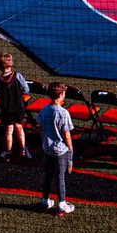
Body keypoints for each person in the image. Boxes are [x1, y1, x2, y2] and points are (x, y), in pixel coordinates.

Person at [38, 82, 75, 214]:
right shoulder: (63, 112)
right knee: (60, 177)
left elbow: (41, 129)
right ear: (61, 95)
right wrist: (70, 149)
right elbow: (66, 134)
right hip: (60, 151)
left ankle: (45, 201)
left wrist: (44, 144)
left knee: (47, 176)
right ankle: (62, 204)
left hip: (47, 149)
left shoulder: (44, 109)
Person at [0, 52, 31, 161]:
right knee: (19, 126)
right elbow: (26, 90)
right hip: (18, 107)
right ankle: (22, 149)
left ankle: (8, 151)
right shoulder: (17, 76)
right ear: (11, 63)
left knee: (8, 129)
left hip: (5, 108)